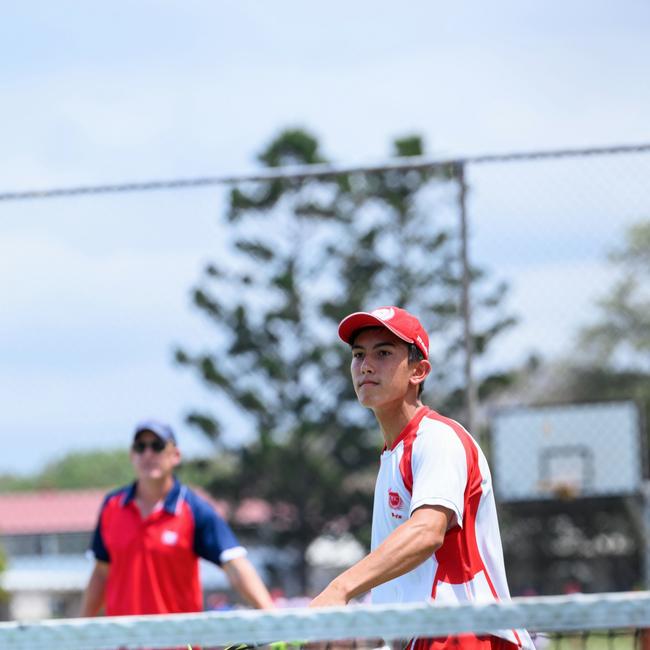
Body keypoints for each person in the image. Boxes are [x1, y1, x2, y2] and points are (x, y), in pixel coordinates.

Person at [310, 307, 534, 650]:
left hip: (464, 636)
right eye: (358, 355)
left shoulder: (438, 439)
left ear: (419, 371)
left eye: (383, 353)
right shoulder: (392, 455)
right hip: (427, 638)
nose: (365, 365)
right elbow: (406, 584)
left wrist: (339, 589)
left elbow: (426, 532)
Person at [80, 419, 274, 616]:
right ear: (132, 455)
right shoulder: (112, 506)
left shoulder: (193, 509)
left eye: (157, 446)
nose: (148, 454)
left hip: (178, 641)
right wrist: (79, 632)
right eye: (141, 447)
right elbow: (102, 573)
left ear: (175, 455)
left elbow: (234, 564)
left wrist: (274, 620)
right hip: (121, 642)